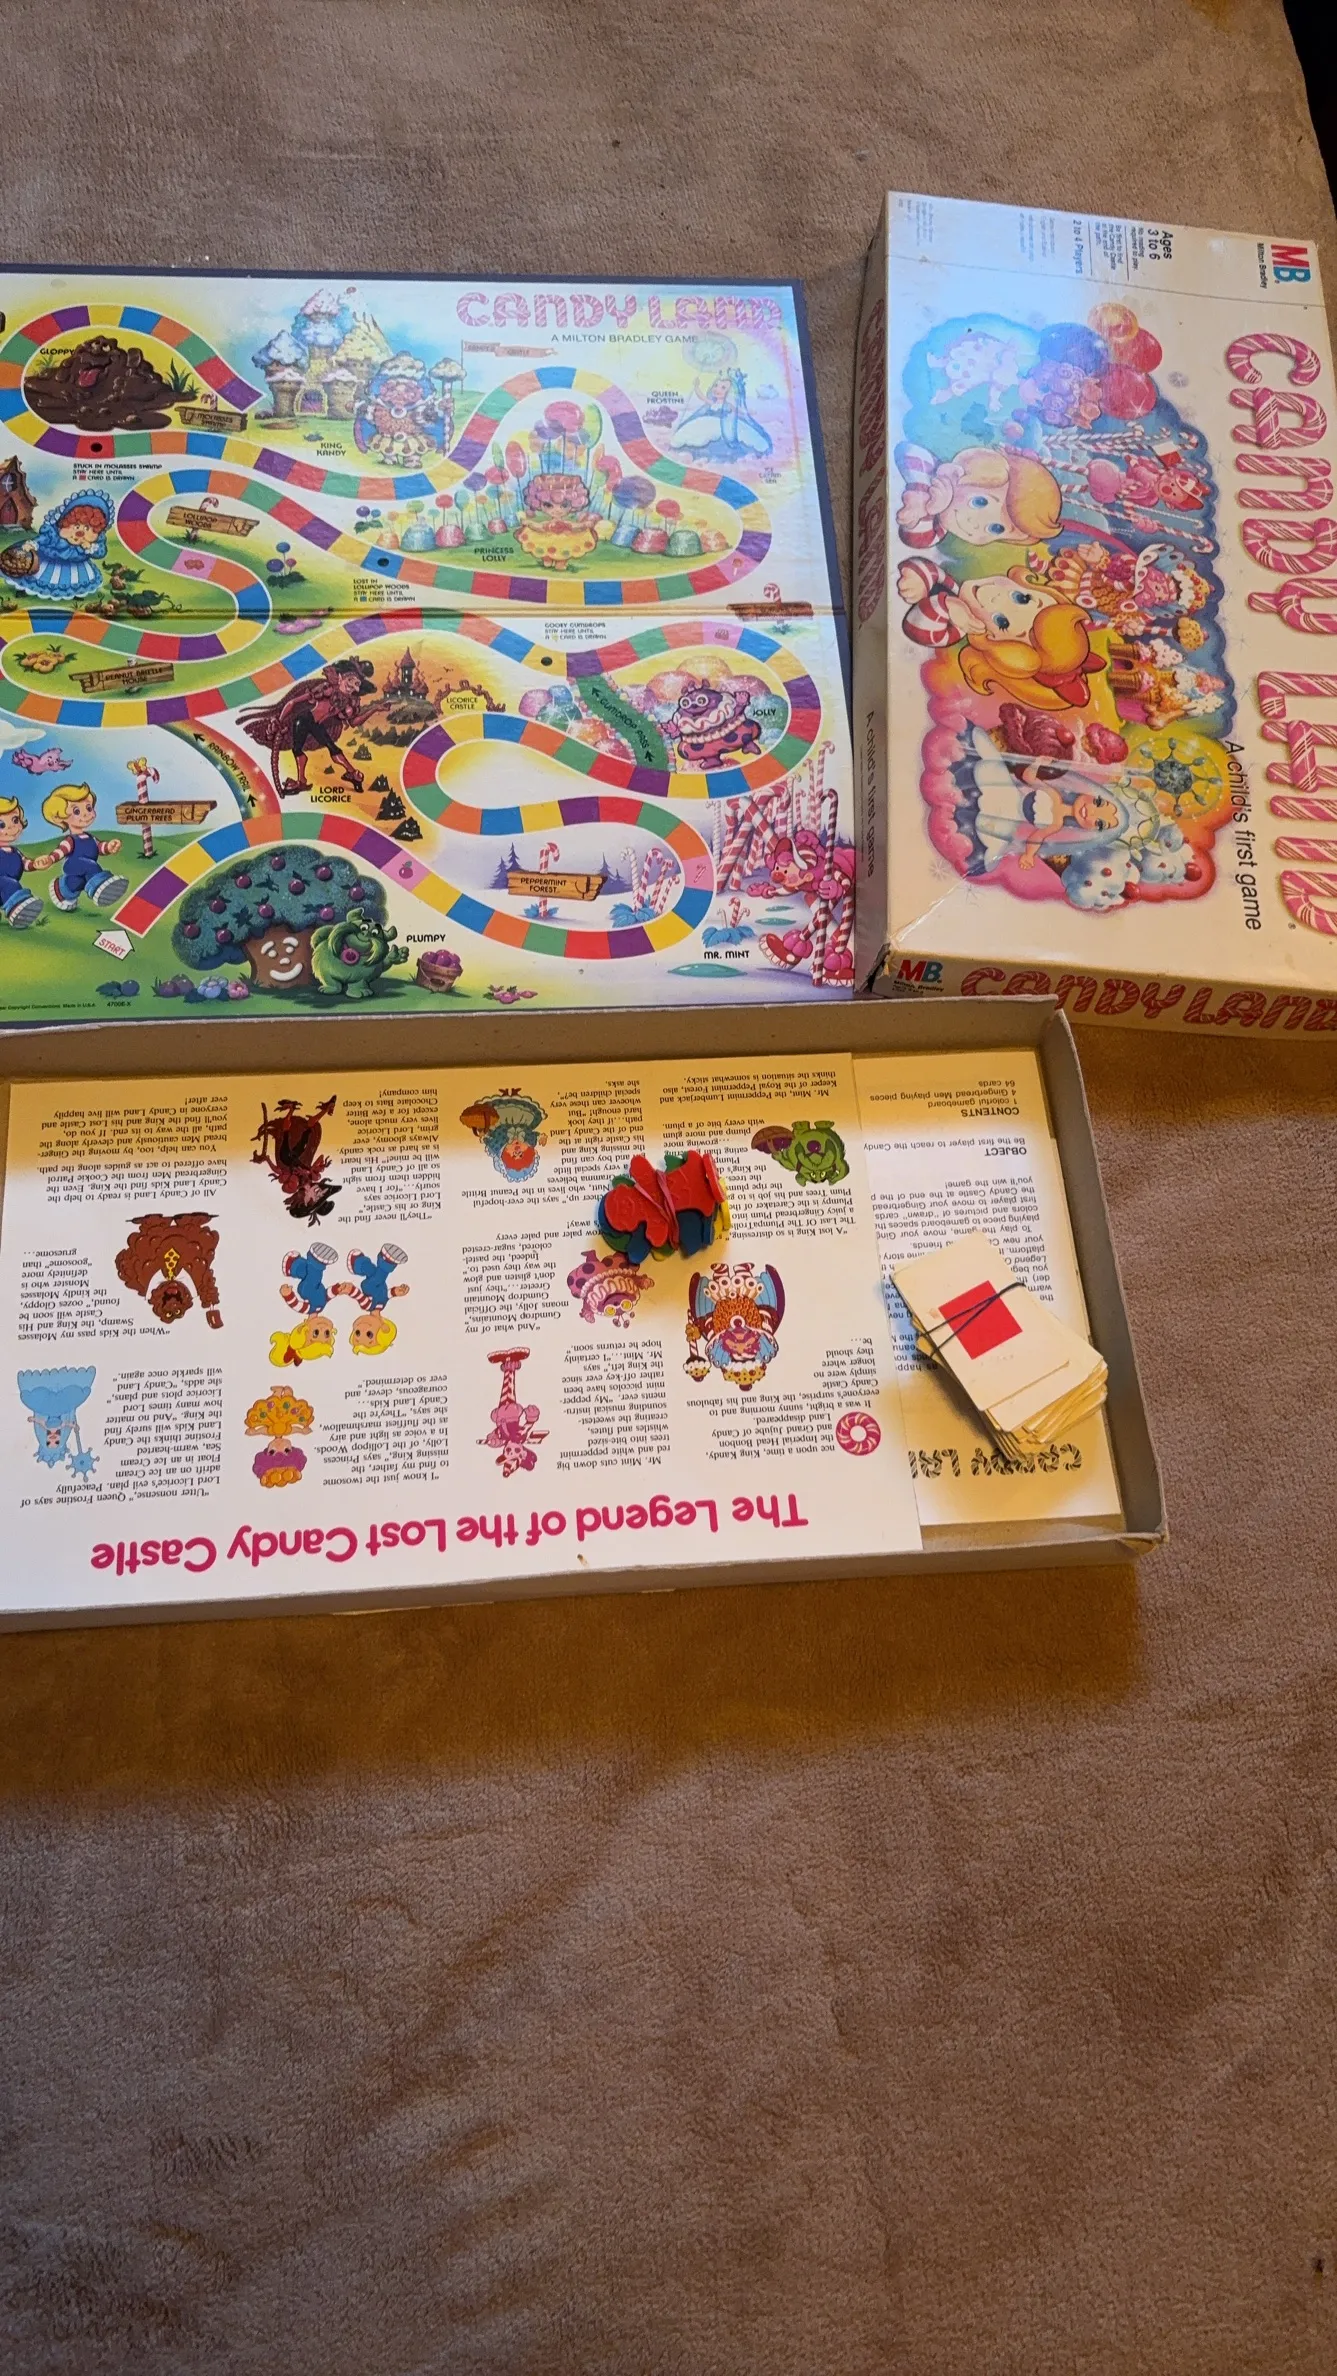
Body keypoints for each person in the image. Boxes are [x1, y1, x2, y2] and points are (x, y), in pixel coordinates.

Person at [39, 783, 128, 912]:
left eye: (89, 808)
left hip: (83, 872)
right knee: (91, 866)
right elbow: (60, 851)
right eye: (77, 811)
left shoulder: (91, 838)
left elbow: (99, 847)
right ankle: (99, 886)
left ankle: (63, 891)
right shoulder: (70, 840)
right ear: (61, 817)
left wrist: (109, 846)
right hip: (73, 864)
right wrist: (50, 859)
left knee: (78, 882)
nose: (86, 814)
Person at [0, 797, 45, 927]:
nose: (11, 827)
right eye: (1, 825)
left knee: (10, 884)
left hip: (6, 893)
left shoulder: (16, 852)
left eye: (15, 820)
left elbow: (25, 864)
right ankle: (18, 907)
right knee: (9, 883)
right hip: (7, 887)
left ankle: (20, 909)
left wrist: (35, 864)